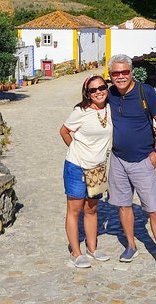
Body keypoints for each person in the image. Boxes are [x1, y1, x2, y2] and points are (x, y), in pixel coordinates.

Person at [106, 54, 156, 279]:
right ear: (111, 76)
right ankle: (131, 245)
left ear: (131, 71)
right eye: (116, 73)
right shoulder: (110, 94)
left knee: (153, 209)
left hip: (144, 160)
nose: (121, 77)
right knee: (123, 205)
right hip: (117, 160)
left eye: (124, 72)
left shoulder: (147, 92)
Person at [59, 75, 112, 268]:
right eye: (93, 90)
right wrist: (76, 150)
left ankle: (92, 248)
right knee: (74, 210)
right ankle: (75, 252)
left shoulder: (109, 108)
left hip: (98, 168)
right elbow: (64, 131)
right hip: (77, 166)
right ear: (87, 94)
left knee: (92, 209)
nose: (98, 92)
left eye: (102, 87)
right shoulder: (80, 111)